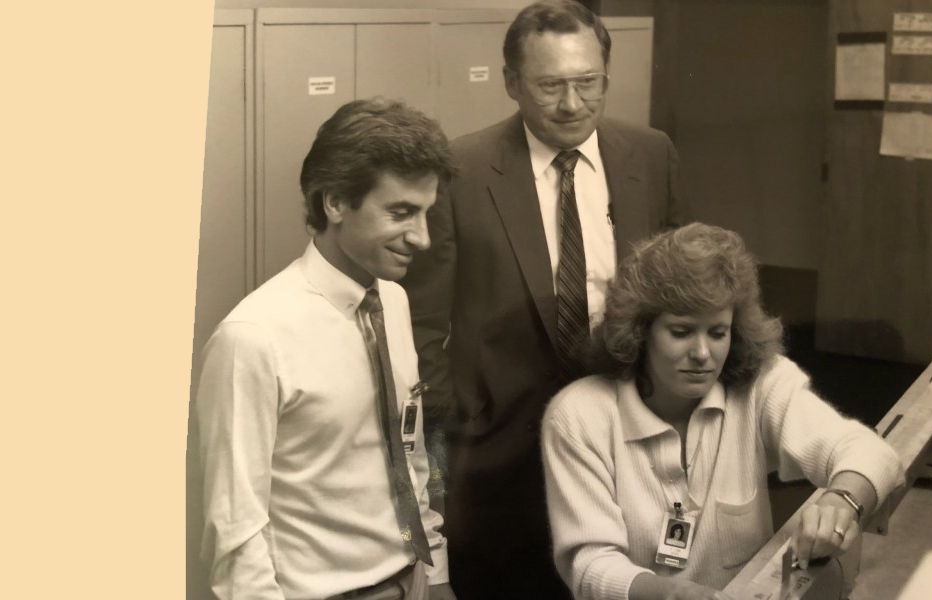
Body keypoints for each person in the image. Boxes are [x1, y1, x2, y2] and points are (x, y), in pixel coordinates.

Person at [399, 1, 688, 598]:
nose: (572, 104)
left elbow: (682, 299)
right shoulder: (463, 169)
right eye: (550, 86)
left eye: (588, 83)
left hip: (627, 439)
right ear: (511, 83)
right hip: (500, 455)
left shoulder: (652, 154)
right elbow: (421, 327)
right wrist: (451, 441)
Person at [541, 223, 906, 600]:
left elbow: (871, 451)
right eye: (681, 332)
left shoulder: (761, 384)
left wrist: (840, 501)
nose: (702, 353)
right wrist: (671, 595)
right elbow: (590, 565)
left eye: (717, 333)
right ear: (640, 332)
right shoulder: (578, 416)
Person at [194, 98, 458, 600]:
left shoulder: (393, 302)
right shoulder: (252, 337)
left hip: (413, 581)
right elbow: (235, 532)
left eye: (427, 213)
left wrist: (436, 572)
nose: (422, 238)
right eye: (401, 212)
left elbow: (410, 456)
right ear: (335, 202)